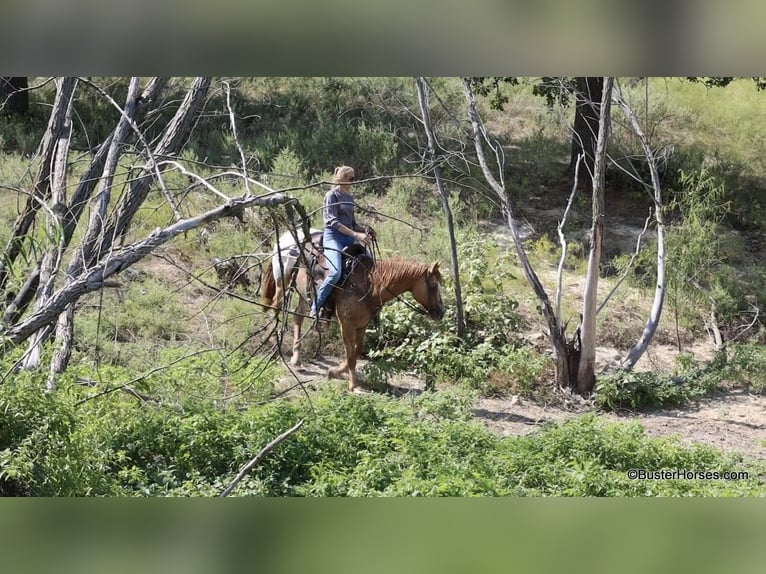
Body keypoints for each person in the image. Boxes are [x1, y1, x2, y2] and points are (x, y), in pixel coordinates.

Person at [310, 165, 373, 320]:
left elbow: (352, 223)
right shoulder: (332, 196)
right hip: (333, 238)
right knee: (335, 272)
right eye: (351, 178)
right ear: (343, 179)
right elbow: (333, 222)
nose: (353, 181)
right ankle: (316, 306)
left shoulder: (349, 198)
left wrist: (365, 230)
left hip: (349, 237)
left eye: (353, 178)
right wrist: (355, 235)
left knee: (371, 263)